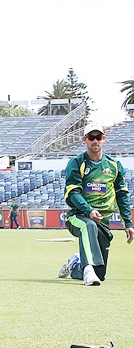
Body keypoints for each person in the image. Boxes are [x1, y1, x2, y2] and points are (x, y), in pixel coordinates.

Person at [58, 121, 134, 286]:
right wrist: (89, 210)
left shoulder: (114, 166)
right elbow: (72, 194)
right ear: (84, 139)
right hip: (78, 217)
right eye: (91, 137)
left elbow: (122, 196)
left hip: (103, 223)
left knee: (100, 274)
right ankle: (87, 272)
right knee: (88, 225)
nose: (95, 141)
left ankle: (76, 265)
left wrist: (128, 223)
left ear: (104, 139)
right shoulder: (77, 163)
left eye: (98, 137)